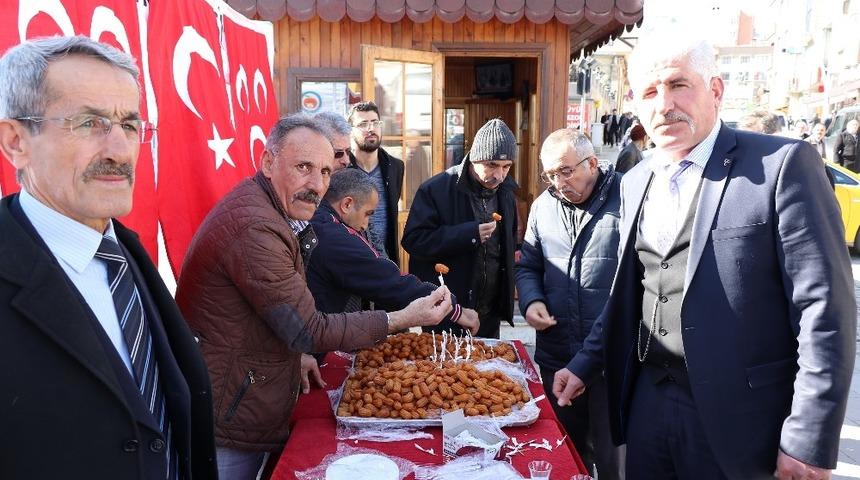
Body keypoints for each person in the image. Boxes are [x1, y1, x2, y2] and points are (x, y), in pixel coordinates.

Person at [553, 30, 855, 480]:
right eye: (650, 92)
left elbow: (824, 310)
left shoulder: (781, 165)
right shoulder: (635, 182)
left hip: (743, 418)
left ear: (715, 89)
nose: (663, 104)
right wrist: (584, 364)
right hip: (649, 402)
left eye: (678, 85)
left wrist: (810, 436)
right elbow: (633, 295)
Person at [175, 114, 452, 479]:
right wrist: (402, 318)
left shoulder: (271, 209)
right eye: (304, 167)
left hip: (241, 390)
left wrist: (296, 354)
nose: (317, 185)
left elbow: (282, 315)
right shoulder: (256, 227)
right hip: (228, 408)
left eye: (324, 172)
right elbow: (308, 328)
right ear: (268, 162)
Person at [0, 36, 217, 479]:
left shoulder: (125, 253)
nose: (120, 151)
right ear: (16, 141)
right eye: (89, 123)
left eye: (130, 125)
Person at [516, 129, 625, 479]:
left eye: (566, 171)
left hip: (611, 359)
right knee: (562, 454)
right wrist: (531, 301)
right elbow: (528, 265)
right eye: (550, 174)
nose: (558, 181)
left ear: (592, 163)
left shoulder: (628, 198)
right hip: (558, 353)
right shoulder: (543, 206)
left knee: (614, 461)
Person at [306, 168, 480, 333]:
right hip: (315, 340)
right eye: (368, 213)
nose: (366, 225)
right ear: (347, 204)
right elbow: (387, 280)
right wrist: (454, 309)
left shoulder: (319, 220)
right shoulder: (334, 236)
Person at [402, 118, 519, 338]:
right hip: (447, 311)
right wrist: (468, 234)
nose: (499, 175)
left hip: (490, 312)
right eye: (492, 165)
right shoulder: (436, 189)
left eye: (506, 167)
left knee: (486, 371)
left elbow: (509, 246)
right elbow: (413, 240)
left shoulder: (507, 193)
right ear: (474, 159)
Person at [347, 101, 405, 265]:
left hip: (387, 258)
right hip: (352, 258)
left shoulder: (395, 166)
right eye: (363, 124)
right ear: (350, 131)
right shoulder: (342, 168)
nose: (371, 128)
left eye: (375, 123)